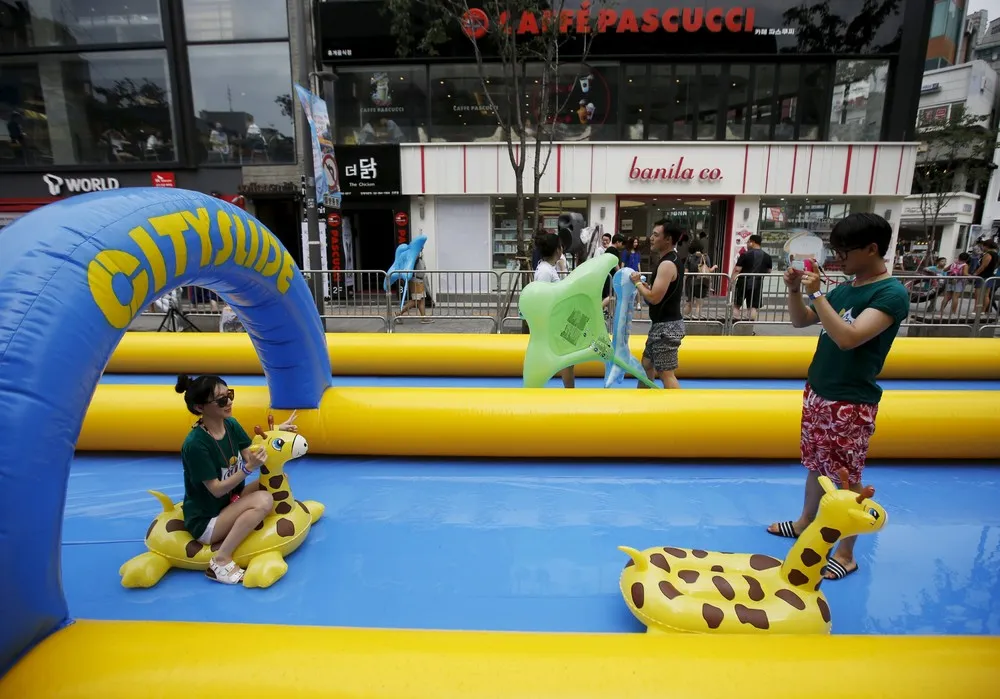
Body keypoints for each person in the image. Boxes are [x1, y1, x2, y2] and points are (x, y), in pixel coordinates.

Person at [767, 213, 909, 581]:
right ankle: (805, 522)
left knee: (847, 477)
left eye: (844, 251)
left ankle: (846, 554)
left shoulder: (890, 293)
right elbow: (801, 320)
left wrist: (817, 293)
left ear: (871, 249)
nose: (838, 258)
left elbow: (849, 338)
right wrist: (796, 290)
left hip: (851, 400)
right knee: (816, 465)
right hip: (819, 392)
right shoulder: (846, 289)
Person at [174, 375, 298, 584]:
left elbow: (251, 454)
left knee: (276, 480)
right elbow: (216, 490)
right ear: (200, 407)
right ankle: (220, 560)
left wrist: (275, 434)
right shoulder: (196, 445)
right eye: (221, 400)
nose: (229, 402)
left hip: (230, 500)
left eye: (229, 395)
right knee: (264, 500)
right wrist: (248, 469)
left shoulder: (231, 425)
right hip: (207, 520)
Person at [631, 220, 685, 389]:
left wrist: (637, 283)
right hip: (662, 325)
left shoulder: (668, 264)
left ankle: (678, 406)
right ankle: (644, 399)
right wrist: (645, 288)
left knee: (665, 372)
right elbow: (656, 295)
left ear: (668, 239)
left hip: (667, 328)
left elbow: (654, 298)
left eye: (656, 235)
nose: (651, 238)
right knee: (646, 364)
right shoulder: (668, 260)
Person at [534, 232, 575, 388]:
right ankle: (569, 392)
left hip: (557, 320)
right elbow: (542, 298)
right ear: (558, 249)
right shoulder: (545, 271)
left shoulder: (549, 269)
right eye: (561, 246)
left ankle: (569, 391)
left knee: (568, 360)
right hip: (553, 322)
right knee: (567, 360)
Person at [731, 235, 773, 323]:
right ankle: (749, 326)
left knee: (736, 305)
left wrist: (731, 282)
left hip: (742, 282)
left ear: (752, 242)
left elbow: (737, 270)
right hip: (757, 283)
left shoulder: (745, 254)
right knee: (753, 307)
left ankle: (735, 324)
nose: (747, 244)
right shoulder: (767, 256)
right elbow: (769, 271)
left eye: (748, 242)